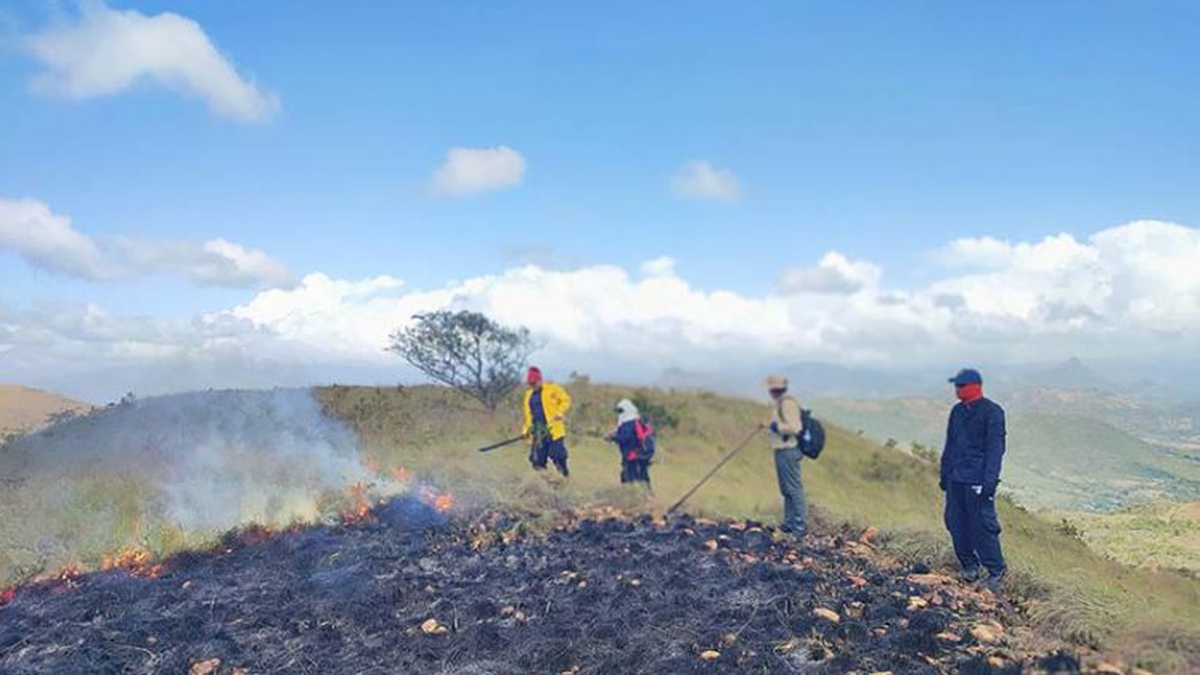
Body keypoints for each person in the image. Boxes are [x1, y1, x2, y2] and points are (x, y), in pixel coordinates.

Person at [940, 368, 1008, 591]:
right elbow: (950, 445)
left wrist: (989, 482)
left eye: (961, 386)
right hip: (956, 478)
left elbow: (995, 449)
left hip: (977, 480)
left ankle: (996, 571)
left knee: (982, 525)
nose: (957, 390)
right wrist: (944, 474)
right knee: (955, 522)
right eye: (956, 386)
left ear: (975, 387)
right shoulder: (957, 412)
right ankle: (969, 565)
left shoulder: (992, 412)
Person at [764, 374, 807, 537]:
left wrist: (776, 427)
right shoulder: (781, 403)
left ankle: (799, 527)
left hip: (788, 449)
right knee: (786, 488)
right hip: (782, 449)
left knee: (794, 489)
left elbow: (795, 427)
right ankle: (789, 523)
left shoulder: (787, 404)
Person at [521, 366, 571, 477]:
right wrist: (526, 431)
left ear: (540, 380)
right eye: (530, 383)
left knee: (558, 456)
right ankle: (542, 482)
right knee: (537, 460)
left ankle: (564, 477)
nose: (532, 385)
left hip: (554, 430)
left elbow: (565, 400)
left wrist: (560, 412)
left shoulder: (553, 389)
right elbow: (528, 416)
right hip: (538, 432)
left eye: (534, 383)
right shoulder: (528, 396)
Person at [605, 398, 652, 488]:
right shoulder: (635, 421)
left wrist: (612, 438)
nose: (619, 413)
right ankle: (648, 499)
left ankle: (636, 498)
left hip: (633, 455)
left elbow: (626, 438)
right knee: (641, 478)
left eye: (621, 410)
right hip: (638, 455)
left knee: (630, 479)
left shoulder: (629, 423)